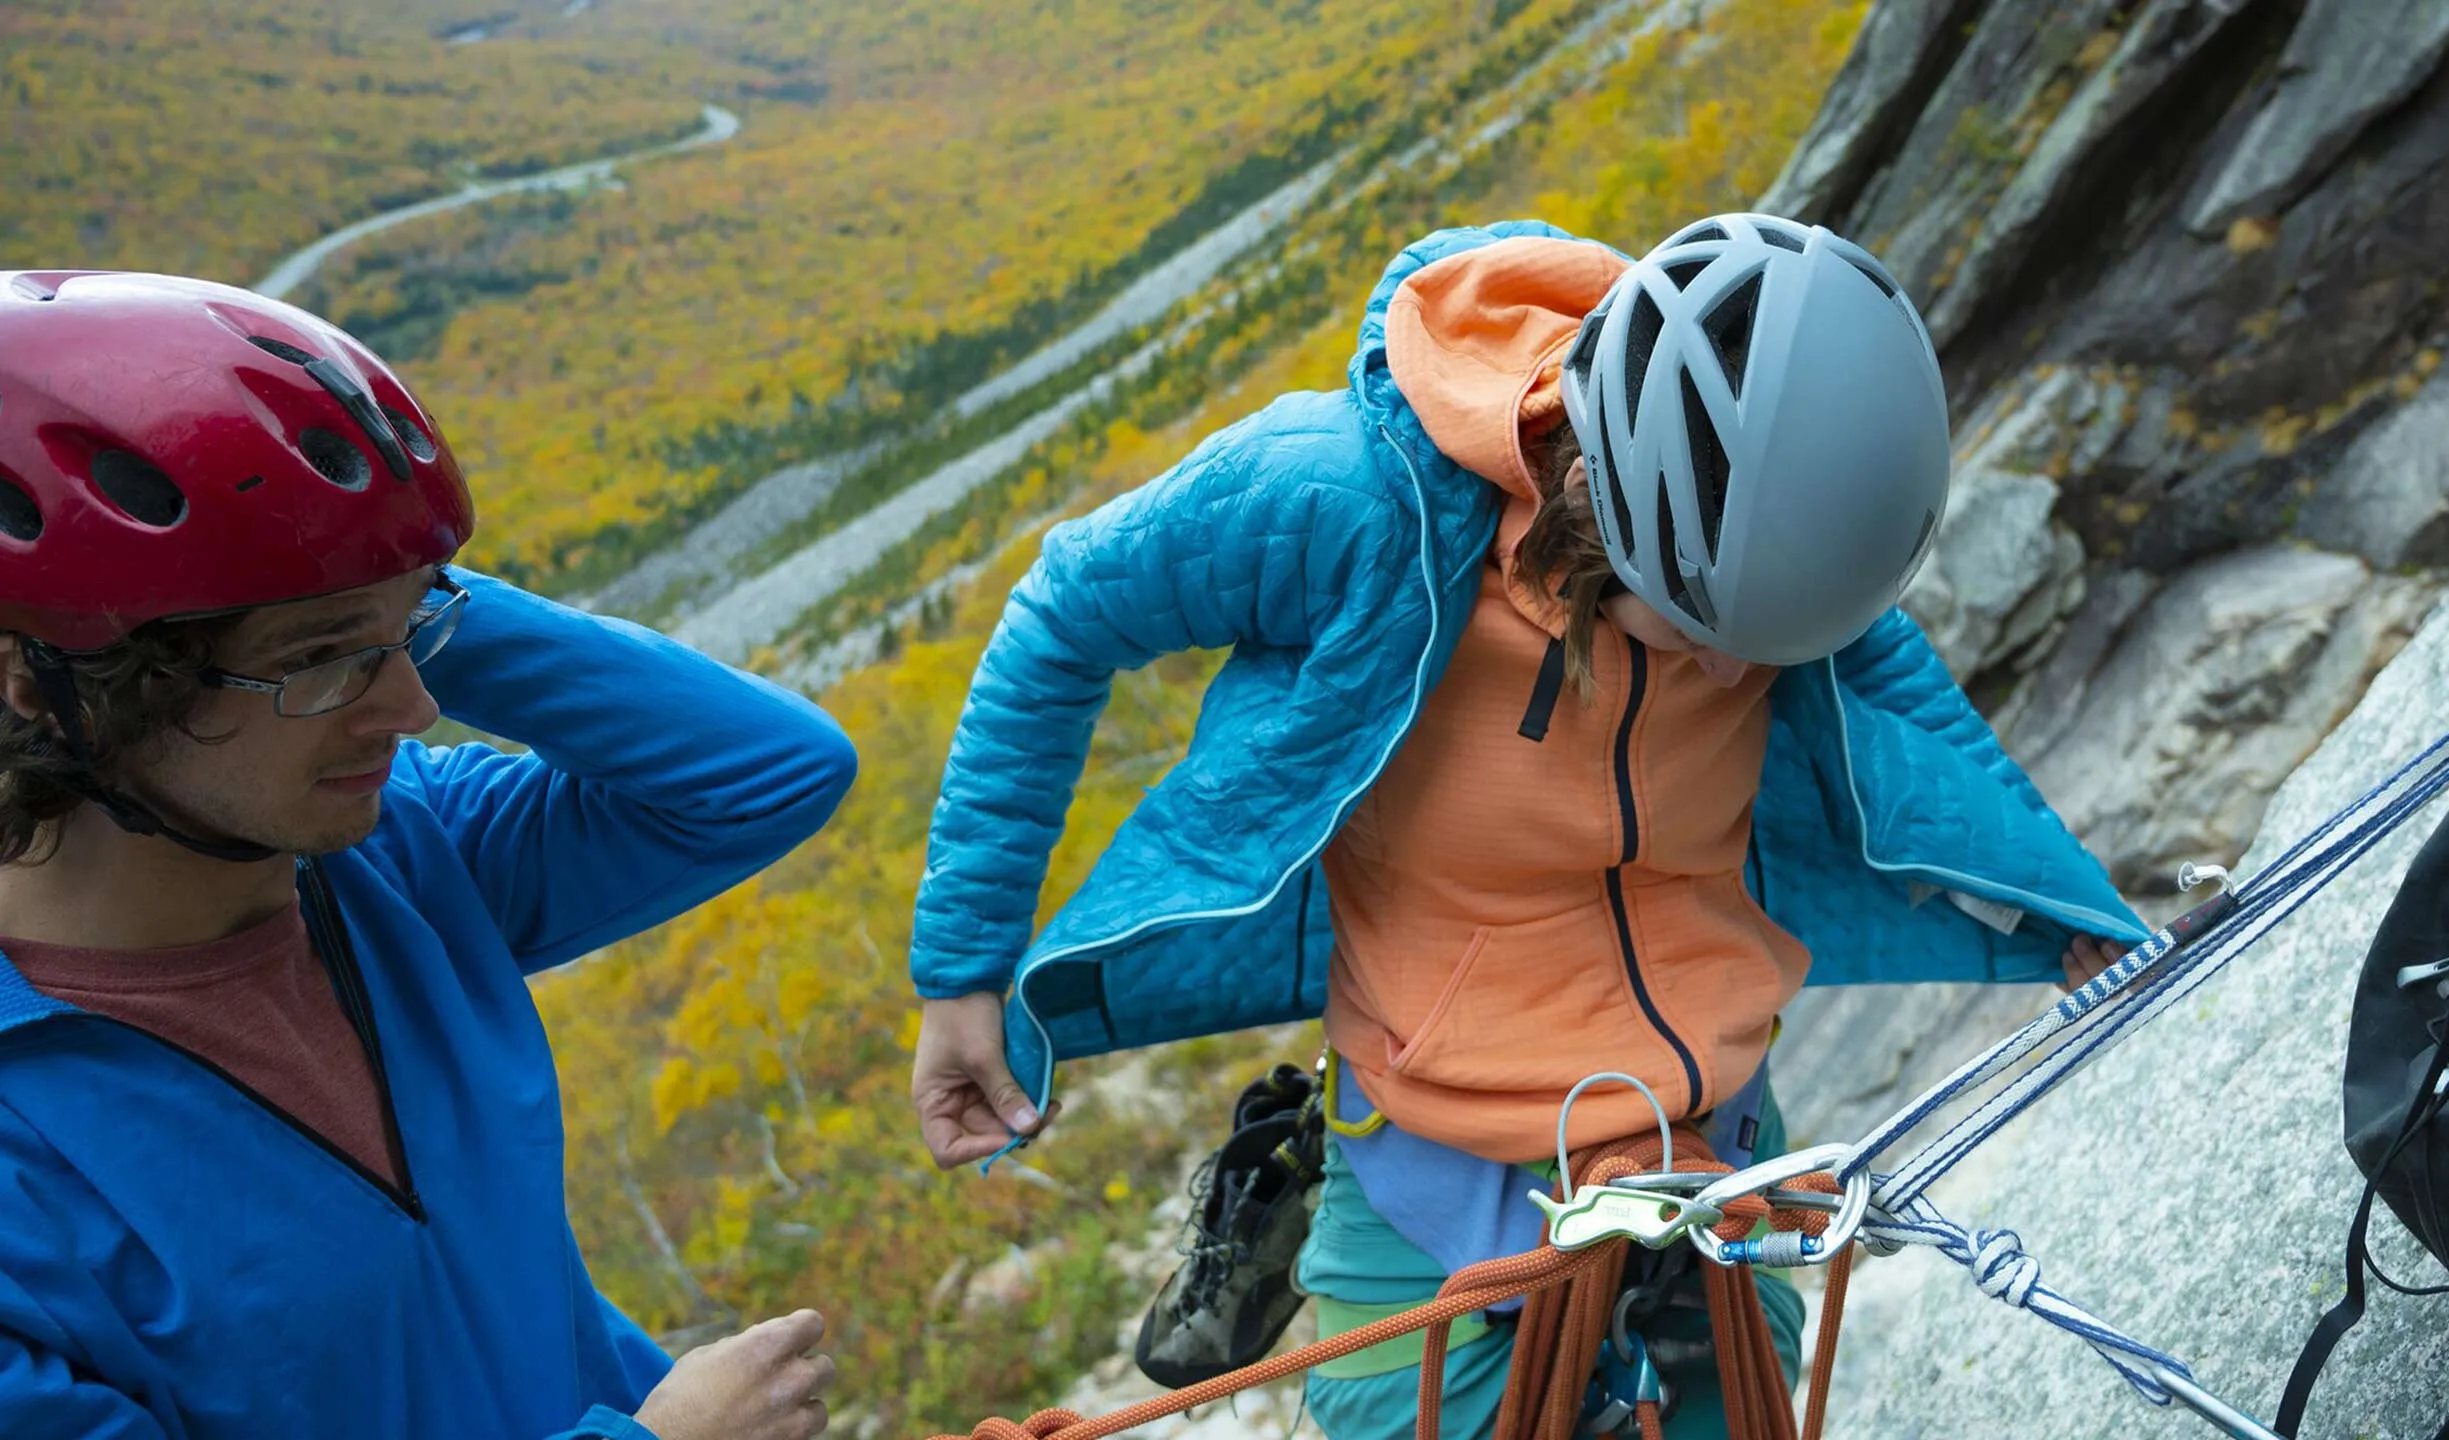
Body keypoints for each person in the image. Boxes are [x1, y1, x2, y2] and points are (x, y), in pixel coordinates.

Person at [904, 215, 2149, 1436]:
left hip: (1712, 1149)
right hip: (1431, 1160)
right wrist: (962, 973)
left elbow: (1914, 723)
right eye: (1699, 633)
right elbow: (1061, 618)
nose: (1738, 676)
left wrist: (2067, 915)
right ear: (1595, 509)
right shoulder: (1347, 502)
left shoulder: (1763, 538)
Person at [0, 270, 861, 1440]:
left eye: (416, 633)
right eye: (319, 658)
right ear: (42, 683)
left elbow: (770, 769)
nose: (414, 709)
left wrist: (370, 578)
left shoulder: (399, 852)